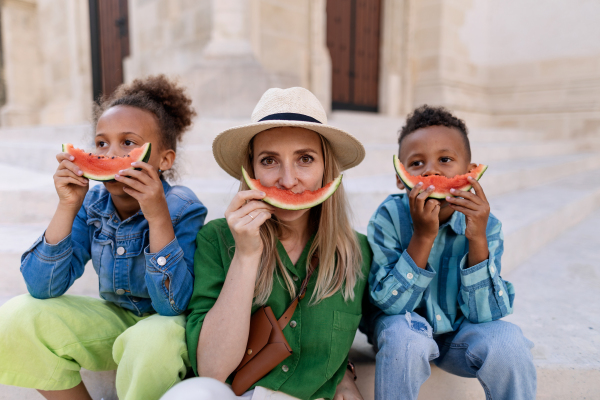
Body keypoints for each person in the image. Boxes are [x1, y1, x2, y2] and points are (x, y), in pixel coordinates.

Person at [0, 75, 207, 400]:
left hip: (166, 330)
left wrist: (156, 216)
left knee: (152, 340)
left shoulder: (183, 208)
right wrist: (68, 205)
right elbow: (42, 288)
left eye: (128, 143)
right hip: (114, 321)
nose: (111, 154)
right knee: (16, 316)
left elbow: (173, 305)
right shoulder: (93, 204)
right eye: (100, 143)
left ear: (165, 160)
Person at [165, 87, 371, 400]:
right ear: (251, 171)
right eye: (269, 160)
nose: (288, 180)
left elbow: (388, 326)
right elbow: (213, 370)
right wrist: (246, 256)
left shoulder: (358, 252)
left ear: (326, 169)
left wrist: (345, 371)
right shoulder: (217, 239)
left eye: (305, 159)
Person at [365, 105, 537, 400]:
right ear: (400, 177)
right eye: (417, 164)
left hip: (458, 334)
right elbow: (390, 306)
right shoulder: (389, 217)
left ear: (470, 173)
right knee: (406, 339)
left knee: (509, 341)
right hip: (401, 332)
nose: (431, 171)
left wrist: (478, 240)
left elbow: (488, 315)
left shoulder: (487, 226)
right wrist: (422, 237)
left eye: (445, 159)